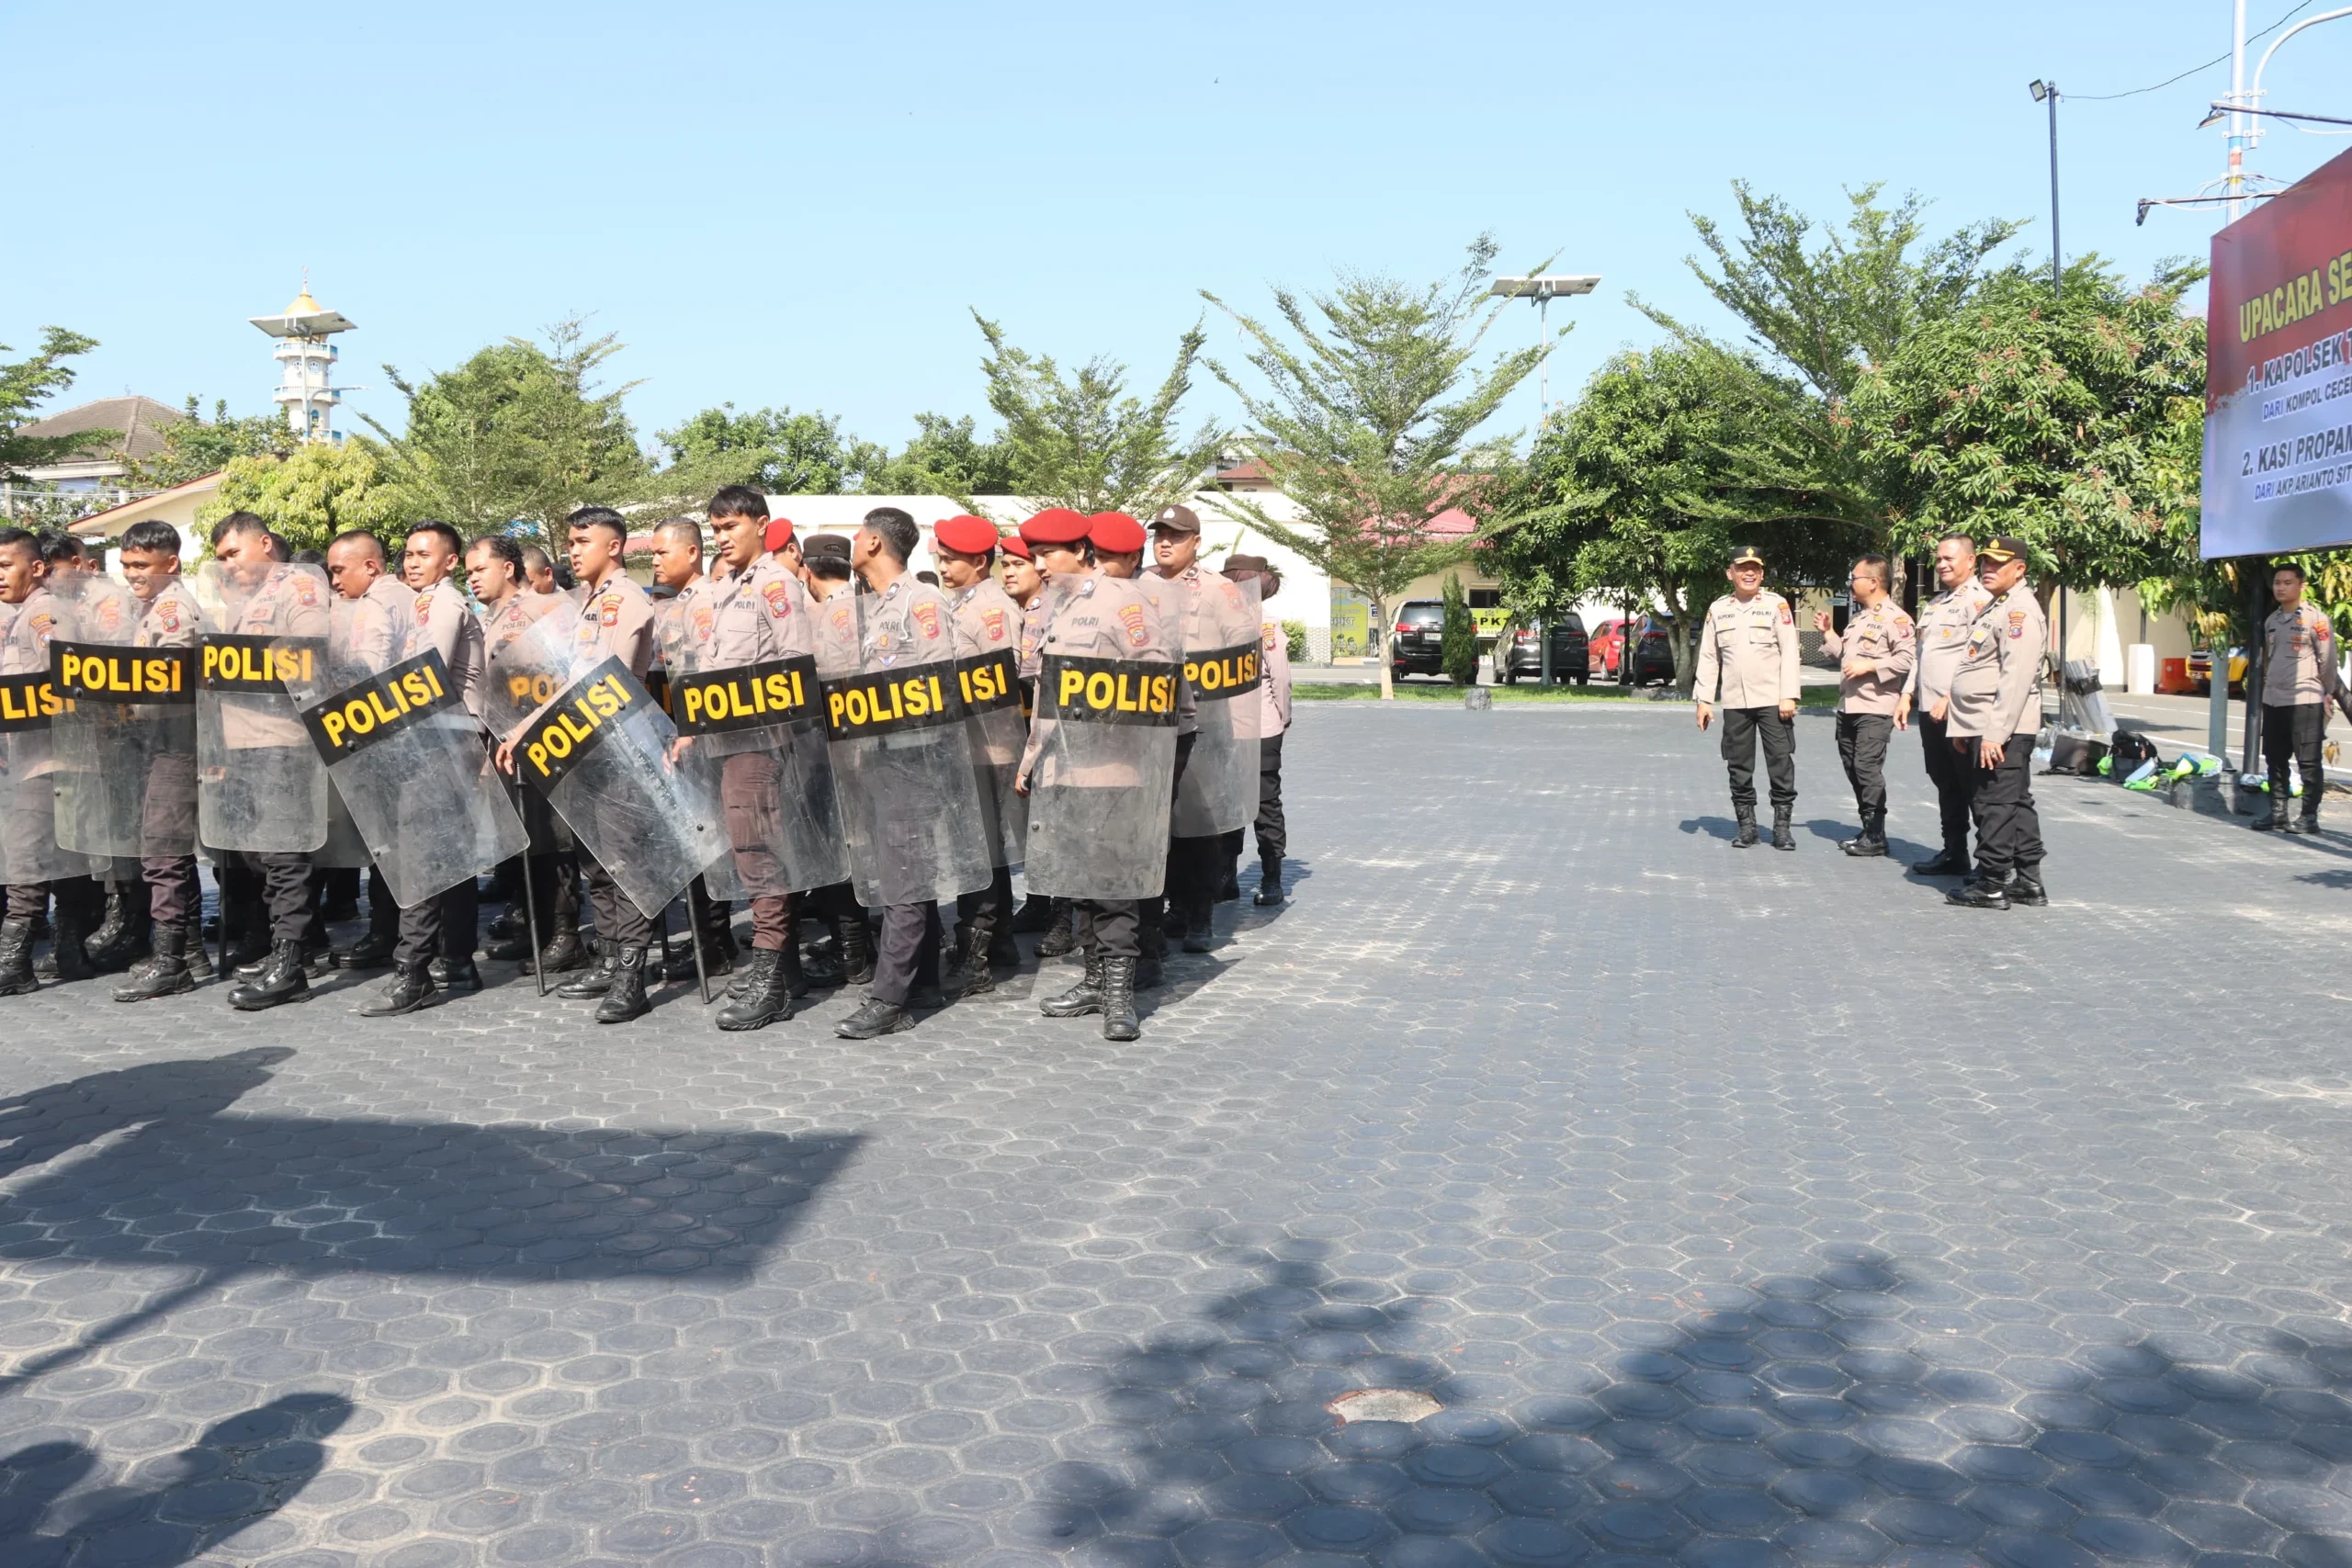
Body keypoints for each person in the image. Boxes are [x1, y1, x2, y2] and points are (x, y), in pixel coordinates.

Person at [826, 506, 989, 1039]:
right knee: (903, 873)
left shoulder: (922, 602)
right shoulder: (870, 606)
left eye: (857, 534)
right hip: (878, 759)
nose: (853, 542)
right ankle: (922, 983)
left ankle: (889, 996)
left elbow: (939, 687)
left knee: (904, 880)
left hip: (912, 762)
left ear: (874, 542)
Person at [1014, 508, 1176, 1041]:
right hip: (1064, 769)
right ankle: (1093, 981)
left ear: (1081, 551)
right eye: (1034, 555)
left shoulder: (1124, 602)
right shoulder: (1060, 607)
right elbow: (1049, 699)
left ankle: (1120, 998)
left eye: (1047, 553)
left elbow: (1156, 686)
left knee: (1114, 889)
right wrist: (1032, 759)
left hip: (1112, 771)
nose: (1039, 564)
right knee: (1080, 884)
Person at [353, 521, 489, 1014]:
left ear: (449, 562)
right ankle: (457, 960)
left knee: (421, 857)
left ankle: (413, 972)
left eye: (423, 555)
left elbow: (422, 675)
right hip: (445, 740)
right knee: (450, 858)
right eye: (408, 554)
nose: (412, 563)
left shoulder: (443, 604)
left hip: (439, 743)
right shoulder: (422, 602)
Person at [206, 515, 334, 1010]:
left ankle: (291, 962)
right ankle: (293, 943)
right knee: (260, 857)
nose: (227, 565)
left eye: (233, 553)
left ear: (264, 543)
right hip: (244, 746)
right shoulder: (247, 599)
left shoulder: (298, 586)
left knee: (284, 857)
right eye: (220, 558)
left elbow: (310, 656)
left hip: (282, 743)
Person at [548, 506, 662, 1021]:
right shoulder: (589, 601)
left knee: (625, 863)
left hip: (617, 747)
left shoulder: (622, 600)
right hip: (583, 746)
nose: (572, 550)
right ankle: (611, 958)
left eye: (582, 541)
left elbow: (608, 681)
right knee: (596, 862)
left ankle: (632, 974)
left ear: (614, 546)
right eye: (570, 542)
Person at [108, 520, 213, 998]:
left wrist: (122, 694)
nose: (132, 573)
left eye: (141, 564)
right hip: (157, 742)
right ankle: (188, 951)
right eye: (126, 564)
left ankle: (172, 962)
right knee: (167, 851)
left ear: (171, 563)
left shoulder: (172, 610)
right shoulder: (151, 606)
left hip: (175, 742)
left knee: (162, 853)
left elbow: (171, 675)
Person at [469, 533, 581, 972]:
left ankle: (566, 935)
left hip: (544, 740)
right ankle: (536, 928)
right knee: (524, 839)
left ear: (508, 568)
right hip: (504, 742)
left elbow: (565, 676)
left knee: (554, 840)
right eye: (469, 571)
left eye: (480, 569)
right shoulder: (488, 618)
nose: (472, 577)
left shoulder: (544, 608)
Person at [932, 513, 1025, 995]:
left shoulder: (992, 610)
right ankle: (1000, 940)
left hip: (990, 745)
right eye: (941, 559)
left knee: (981, 850)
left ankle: (976, 958)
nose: (943, 567)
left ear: (980, 562)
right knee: (984, 849)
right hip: (970, 743)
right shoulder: (963, 603)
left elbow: (1003, 682)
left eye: (952, 560)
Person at [318, 530, 413, 970]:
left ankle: (387, 933)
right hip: (404, 739)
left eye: (339, 570)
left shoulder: (376, 605)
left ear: (370, 567)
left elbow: (369, 673)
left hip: (385, 740)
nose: (335, 580)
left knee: (387, 846)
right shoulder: (403, 597)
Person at [0, 526, 86, 993]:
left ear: (35, 568)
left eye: (4, 565)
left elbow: (66, 679)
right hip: (33, 761)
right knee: (62, 861)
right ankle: (71, 952)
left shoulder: (44, 614)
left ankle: (14, 964)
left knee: (27, 860)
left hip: (47, 761)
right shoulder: (18, 614)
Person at [647, 513, 733, 978]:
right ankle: (710, 940)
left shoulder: (705, 602)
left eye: (663, 552)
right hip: (683, 733)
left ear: (692, 552)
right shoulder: (680, 603)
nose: (655, 561)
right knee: (698, 840)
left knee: (709, 841)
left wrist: (692, 730)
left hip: (705, 738)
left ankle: (713, 944)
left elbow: (708, 674)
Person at [1945, 536, 2048, 910]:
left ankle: (1992, 883)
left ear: (2019, 569)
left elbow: (2014, 679)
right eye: (1986, 563)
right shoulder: (1999, 605)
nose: (1988, 569)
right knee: (2014, 802)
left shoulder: (2019, 611)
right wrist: (1964, 728)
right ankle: (2028, 882)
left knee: (1994, 804)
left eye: (1998, 564)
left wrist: (1995, 734)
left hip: (2001, 727)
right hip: (1982, 724)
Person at [795, 532, 869, 987]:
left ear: (807, 571)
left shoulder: (830, 616)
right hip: (857, 754)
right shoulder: (863, 608)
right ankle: (857, 949)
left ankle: (852, 956)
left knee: (838, 856)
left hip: (836, 755)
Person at [1693, 545, 1802, 849]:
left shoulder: (1776, 605)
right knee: (1738, 765)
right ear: (1730, 574)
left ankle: (1782, 828)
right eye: (1742, 568)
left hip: (1772, 700)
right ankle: (1747, 827)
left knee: (1780, 762)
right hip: (1735, 703)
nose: (1749, 573)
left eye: (1755, 568)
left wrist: (1789, 695)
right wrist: (1704, 700)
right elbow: (1709, 656)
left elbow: (1789, 651)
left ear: (1762, 574)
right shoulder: (1718, 609)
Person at [1896, 534, 1992, 875]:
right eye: (1938, 559)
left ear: (1971, 560)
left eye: (1949, 558)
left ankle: (1989, 864)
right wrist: (1907, 695)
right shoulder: (1936, 603)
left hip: (1960, 712)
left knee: (1973, 787)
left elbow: (1979, 658)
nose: (1941, 564)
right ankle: (1954, 852)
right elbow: (1921, 655)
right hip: (1929, 710)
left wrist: (1951, 698)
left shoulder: (1980, 600)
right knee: (1945, 783)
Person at [1813, 555, 1916, 858]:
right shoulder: (1860, 619)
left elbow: (1907, 659)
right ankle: (1868, 827)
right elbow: (1847, 657)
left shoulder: (1897, 619)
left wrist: (1870, 666)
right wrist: (1828, 633)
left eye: (1854, 577)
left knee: (1867, 768)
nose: (1850, 582)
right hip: (1849, 705)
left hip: (1875, 707)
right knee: (1853, 768)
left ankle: (1876, 834)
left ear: (1873, 582)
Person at [2252, 560, 2348, 834]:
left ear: (2302, 586)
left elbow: (2328, 660)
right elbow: (2268, 660)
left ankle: (2308, 817)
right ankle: (2278, 813)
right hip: (2274, 700)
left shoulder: (2316, 619)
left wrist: (2328, 692)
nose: (2280, 588)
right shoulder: (2271, 621)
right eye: (2277, 583)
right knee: (2275, 759)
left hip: (2306, 700)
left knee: (2308, 762)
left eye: (2287, 583)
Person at [1219, 555, 1293, 905]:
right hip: (1227, 731)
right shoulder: (1218, 622)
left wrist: (1281, 718)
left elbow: (1280, 680)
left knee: (1265, 806)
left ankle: (1272, 878)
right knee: (1228, 807)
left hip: (1262, 730)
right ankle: (1226, 878)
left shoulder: (1267, 626)